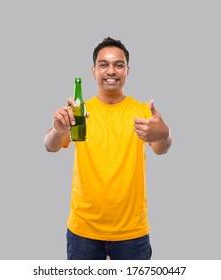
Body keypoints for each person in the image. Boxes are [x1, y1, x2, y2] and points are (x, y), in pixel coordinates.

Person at [44, 37, 172, 260]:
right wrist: (58, 129)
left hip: (132, 233)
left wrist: (164, 134)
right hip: (83, 230)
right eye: (104, 64)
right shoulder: (78, 112)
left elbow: (162, 148)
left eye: (118, 64)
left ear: (127, 71)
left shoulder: (142, 111)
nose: (111, 70)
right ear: (94, 71)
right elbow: (50, 146)